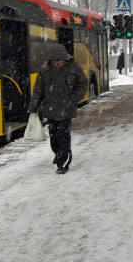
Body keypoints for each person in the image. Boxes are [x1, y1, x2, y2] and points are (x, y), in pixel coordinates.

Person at [28, 44, 88, 174]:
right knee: (53, 136)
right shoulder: (45, 69)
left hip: (66, 109)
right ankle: (58, 153)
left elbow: (83, 84)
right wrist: (33, 106)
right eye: (54, 61)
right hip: (50, 108)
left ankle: (62, 162)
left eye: (59, 61)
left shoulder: (74, 67)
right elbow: (38, 89)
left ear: (64, 58)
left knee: (63, 135)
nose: (57, 63)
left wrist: (73, 100)